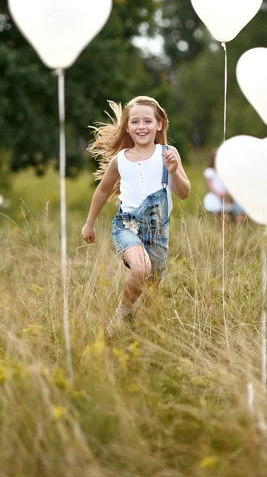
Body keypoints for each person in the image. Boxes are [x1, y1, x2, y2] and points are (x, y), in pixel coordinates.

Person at [81, 96, 190, 337]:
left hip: (158, 232)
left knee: (151, 293)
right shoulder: (120, 160)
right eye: (135, 121)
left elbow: (184, 193)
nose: (142, 126)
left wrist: (174, 172)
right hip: (127, 226)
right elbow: (102, 190)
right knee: (141, 268)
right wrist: (89, 223)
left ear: (159, 124)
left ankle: (141, 336)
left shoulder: (168, 154)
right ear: (127, 127)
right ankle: (121, 316)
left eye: (148, 121)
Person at [203, 148, 234, 215]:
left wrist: (226, 193)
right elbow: (209, 185)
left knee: (225, 215)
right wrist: (219, 194)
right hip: (215, 195)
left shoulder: (226, 171)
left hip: (225, 195)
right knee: (216, 213)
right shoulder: (210, 171)